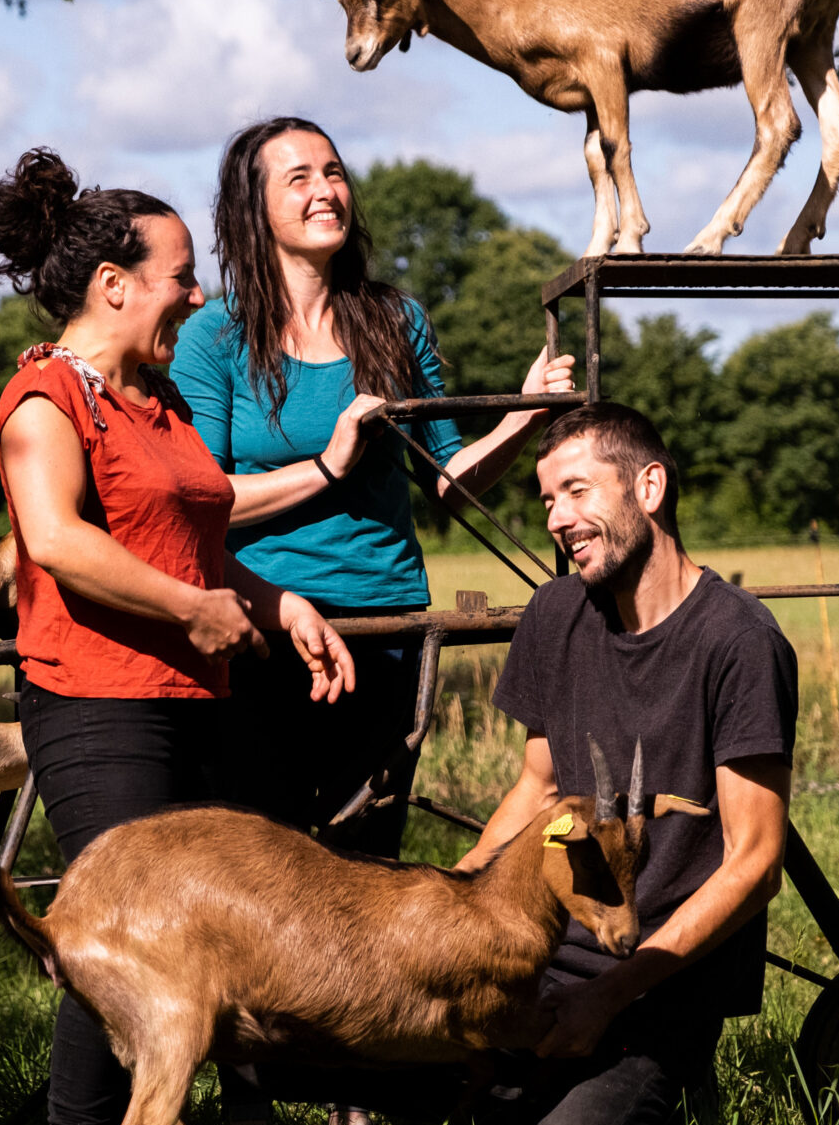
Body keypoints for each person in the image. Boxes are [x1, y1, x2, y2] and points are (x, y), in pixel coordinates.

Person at [0, 148, 357, 1125]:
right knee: (117, 939)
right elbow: (55, 540)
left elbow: (192, 540)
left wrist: (274, 602)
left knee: (168, 938)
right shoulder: (44, 397)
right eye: (180, 275)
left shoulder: (151, 404)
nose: (197, 295)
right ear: (114, 285)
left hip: (199, 703)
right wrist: (190, 611)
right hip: (99, 704)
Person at [168, 116, 576, 857]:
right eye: (298, 179)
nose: (326, 190)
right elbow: (202, 499)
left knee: (366, 853)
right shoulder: (215, 336)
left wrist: (524, 415)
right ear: (252, 207)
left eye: (333, 172)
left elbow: (449, 483)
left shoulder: (394, 320)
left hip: (387, 626)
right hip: (261, 627)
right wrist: (329, 460)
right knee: (265, 856)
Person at [455, 402, 796, 1125]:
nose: (557, 519)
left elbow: (755, 863)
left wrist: (607, 994)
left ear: (649, 485)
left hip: (649, 993)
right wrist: (443, 897)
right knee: (301, 1044)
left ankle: (665, 1095)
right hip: (531, 969)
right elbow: (536, 790)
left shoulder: (737, 640)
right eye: (544, 501)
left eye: (575, 491)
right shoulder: (555, 612)